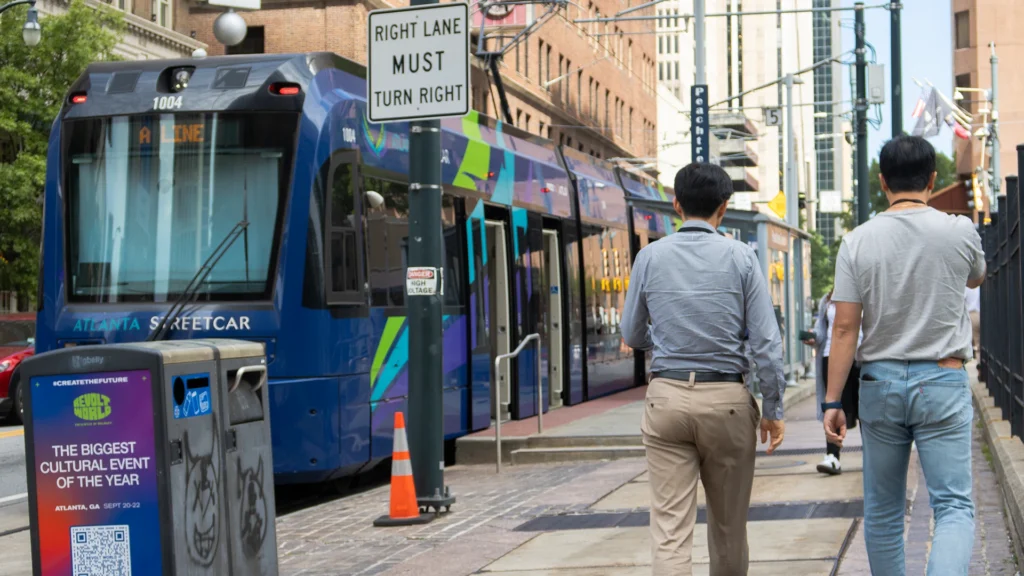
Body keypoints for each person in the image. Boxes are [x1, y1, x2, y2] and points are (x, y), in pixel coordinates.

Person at [823, 135, 984, 574]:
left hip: (881, 384)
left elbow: (844, 327)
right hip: (943, 378)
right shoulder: (959, 229)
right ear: (933, 179)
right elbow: (976, 278)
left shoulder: (857, 241)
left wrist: (833, 401)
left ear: (882, 182)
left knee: (884, 510)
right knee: (952, 505)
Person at [621, 162, 786, 576]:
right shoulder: (742, 258)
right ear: (724, 208)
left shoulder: (649, 256)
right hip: (727, 401)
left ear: (676, 204)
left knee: (670, 529)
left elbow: (632, 332)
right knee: (729, 528)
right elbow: (767, 344)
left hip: (667, 401)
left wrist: (664, 339)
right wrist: (773, 409)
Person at [802, 290, 862, 475]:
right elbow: (823, 328)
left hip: (861, 357)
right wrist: (813, 337)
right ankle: (832, 456)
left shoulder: (866, 291)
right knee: (833, 405)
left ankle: (873, 456)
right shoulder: (827, 299)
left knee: (866, 407)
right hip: (831, 356)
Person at [965, 286, 981, 358]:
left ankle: (978, 362)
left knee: (974, 342)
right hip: (980, 313)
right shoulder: (980, 287)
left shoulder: (967, 287)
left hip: (971, 314)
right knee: (980, 343)